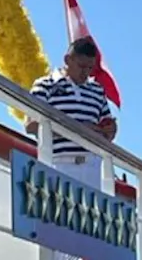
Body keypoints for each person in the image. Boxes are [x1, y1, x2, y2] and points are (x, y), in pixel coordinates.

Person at [25, 37, 118, 192]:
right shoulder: (45, 85)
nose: (85, 72)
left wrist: (109, 130)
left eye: (90, 68)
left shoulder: (97, 91)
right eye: (81, 66)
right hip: (58, 163)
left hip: (92, 167)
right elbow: (30, 125)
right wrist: (76, 130)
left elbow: (107, 129)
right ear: (68, 60)